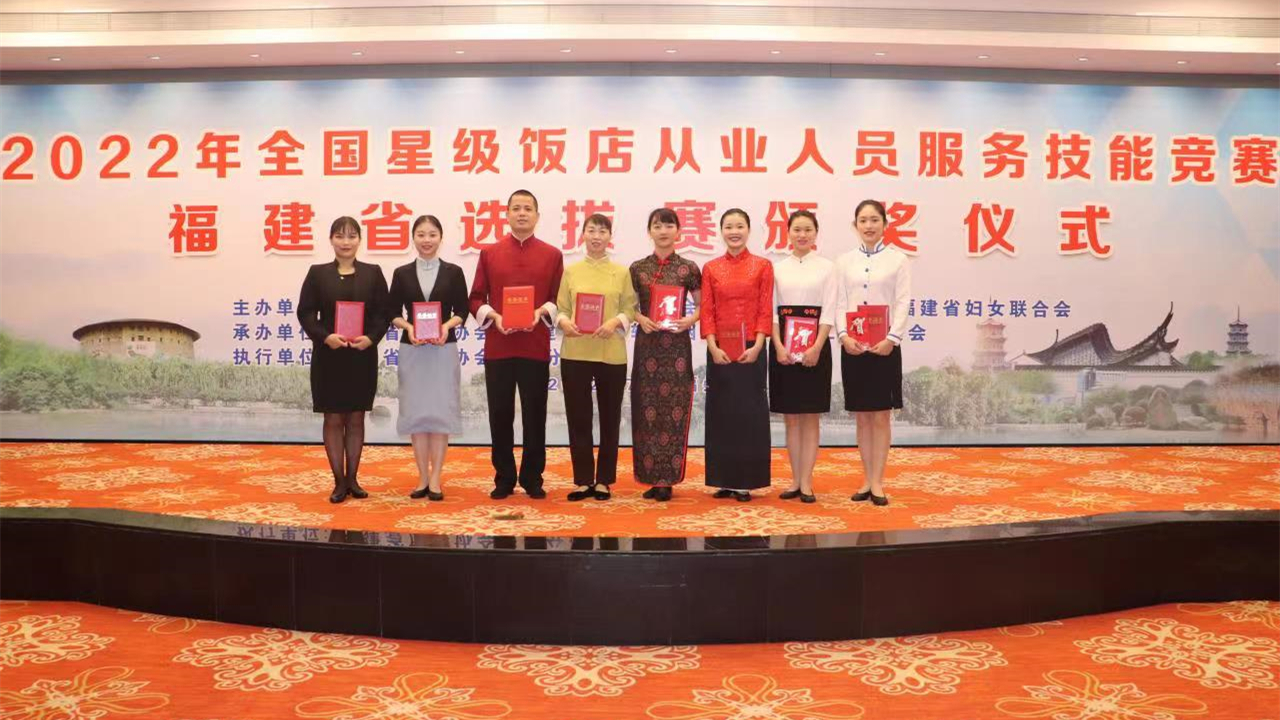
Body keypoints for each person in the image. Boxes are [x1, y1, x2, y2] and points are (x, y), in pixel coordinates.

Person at [468, 189, 564, 500]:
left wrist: (540, 312)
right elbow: (475, 298)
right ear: (507, 214)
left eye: (528, 209)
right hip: (499, 346)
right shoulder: (490, 253)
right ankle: (504, 477)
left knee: (535, 414)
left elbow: (559, 299)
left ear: (537, 215)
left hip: (535, 346)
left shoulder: (552, 255)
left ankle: (533, 477)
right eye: (516, 208)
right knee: (500, 414)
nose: (522, 213)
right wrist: (494, 316)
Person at [297, 216, 390, 503]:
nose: (346, 242)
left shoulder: (373, 273)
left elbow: (383, 314)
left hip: (361, 356)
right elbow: (306, 313)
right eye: (339, 236)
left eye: (351, 236)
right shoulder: (317, 274)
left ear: (360, 240)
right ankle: (339, 481)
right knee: (334, 418)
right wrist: (325, 337)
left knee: (357, 418)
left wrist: (371, 338)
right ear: (331, 240)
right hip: (329, 355)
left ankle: (353, 479)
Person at [555, 214, 638, 501]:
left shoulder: (621, 272)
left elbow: (630, 309)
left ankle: (603, 480)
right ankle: (582, 480)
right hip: (575, 351)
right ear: (583, 235)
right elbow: (561, 308)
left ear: (610, 237)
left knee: (610, 418)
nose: (596, 236)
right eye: (591, 230)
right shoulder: (571, 271)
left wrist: (615, 322)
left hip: (611, 353)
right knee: (578, 417)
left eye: (602, 231)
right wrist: (564, 321)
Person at [388, 215, 469, 501]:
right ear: (413, 238)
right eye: (421, 234)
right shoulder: (401, 273)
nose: (426, 240)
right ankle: (422, 476)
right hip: (413, 351)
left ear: (440, 238)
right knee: (417, 414)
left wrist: (446, 326)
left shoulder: (453, 272)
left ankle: (436, 478)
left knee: (440, 413)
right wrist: (408, 327)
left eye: (432, 234)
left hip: (443, 350)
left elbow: (463, 310)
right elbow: (392, 311)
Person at [835, 199, 911, 506]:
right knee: (862, 417)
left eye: (874, 220)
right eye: (863, 220)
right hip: (853, 347)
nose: (868, 226)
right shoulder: (844, 262)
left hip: (884, 347)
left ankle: (878, 481)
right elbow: (840, 302)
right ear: (855, 225)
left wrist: (892, 338)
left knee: (881, 416)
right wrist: (843, 335)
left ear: (885, 224)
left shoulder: (898, 260)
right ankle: (866, 479)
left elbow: (903, 302)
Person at [701, 208, 774, 501]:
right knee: (721, 413)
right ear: (721, 231)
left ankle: (746, 481)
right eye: (729, 226)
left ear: (748, 230)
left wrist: (758, 346)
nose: (734, 231)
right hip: (719, 350)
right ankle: (723, 479)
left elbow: (765, 309)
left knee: (748, 414)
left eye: (739, 226)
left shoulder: (762, 266)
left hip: (751, 349)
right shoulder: (711, 268)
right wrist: (712, 346)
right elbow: (707, 310)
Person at [629, 208, 702, 502]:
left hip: (677, 349)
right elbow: (627, 305)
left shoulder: (689, 268)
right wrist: (639, 318)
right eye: (657, 226)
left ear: (678, 232)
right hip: (647, 346)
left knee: (673, 411)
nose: (663, 231)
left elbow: (703, 305)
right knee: (646, 410)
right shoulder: (637, 268)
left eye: (669, 225)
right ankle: (650, 476)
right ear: (649, 231)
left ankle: (667, 480)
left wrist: (690, 320)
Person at [769, 210, 836, 504]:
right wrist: (778, 346)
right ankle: (794, 480)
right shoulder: (777, 268)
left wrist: (817, 347)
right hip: (783, 347)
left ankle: (807, 482)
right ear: (788, 233)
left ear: (816, 233)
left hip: (814, 348)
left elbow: (829, 310)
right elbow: (772, 312)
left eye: (808, 229)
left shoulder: (827, 268)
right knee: (791, 419)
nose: (802, 235)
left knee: (810, 417)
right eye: (797, 229)